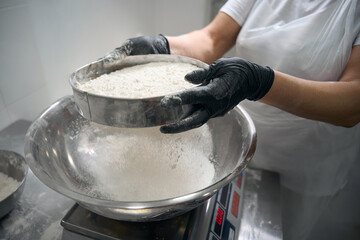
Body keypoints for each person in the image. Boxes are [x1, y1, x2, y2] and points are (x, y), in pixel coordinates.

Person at [101, 0, 360, 239]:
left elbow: (352, 105)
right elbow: (211, 39)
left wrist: (259, 82)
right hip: (242, 142)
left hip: (307, 162)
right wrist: (163, 46)